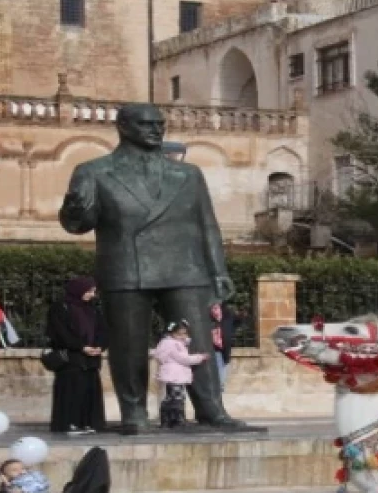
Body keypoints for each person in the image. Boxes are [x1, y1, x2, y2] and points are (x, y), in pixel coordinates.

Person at [59, 103, 243, 434]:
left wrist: (219, 271)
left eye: (160, 124)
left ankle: (211, 408)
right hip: (127, 267)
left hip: (185, 268)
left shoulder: (188, 174)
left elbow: (207, 226)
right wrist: (74, 207)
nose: (157, 130)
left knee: (198, 341)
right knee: (128, 346)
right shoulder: (94, 171)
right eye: (147, 124)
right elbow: (78, 225)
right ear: (124, 127)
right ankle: (134, 412)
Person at [46, 276, 108, 435]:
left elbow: (102, 330)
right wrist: (81, 347)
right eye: (89, 291)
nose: (91, 295)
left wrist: (100, 346)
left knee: (89, 391)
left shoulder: (93, 309)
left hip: (91, 360)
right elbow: (60, 332)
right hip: (71, 359)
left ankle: (87, 422)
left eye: (93, 291)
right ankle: (69, 423)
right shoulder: (60, 308)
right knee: (71, 390)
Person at [151, 320, 208, 428]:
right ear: (172, 333)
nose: (182, 336)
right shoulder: (173, 345)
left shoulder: (175, 343)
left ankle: (168, 420)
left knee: (173, 397)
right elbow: (183, 359)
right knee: (177, 398)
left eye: (184, 333)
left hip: (175, 375)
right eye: (179, 334)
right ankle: (177, 420)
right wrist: (200, 357)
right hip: (175, 375)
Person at [210, 302, 239, 390]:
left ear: (220, 309)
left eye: (216, 308)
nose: (214, 311)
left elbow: (237, 322)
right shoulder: (210, 322)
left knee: (224, 365)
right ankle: (220, 385)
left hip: (226, 348)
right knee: (219, 366)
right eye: (212, 309)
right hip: (215, 348)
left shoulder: (227, 319)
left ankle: (221, 385)